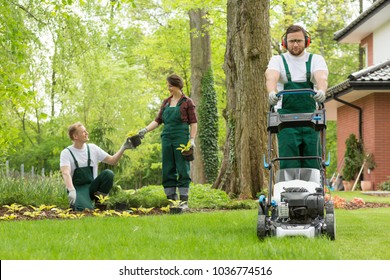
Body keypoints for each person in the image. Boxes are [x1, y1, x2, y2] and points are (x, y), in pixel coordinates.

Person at [265, 24, 328, 170]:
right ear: (285, 43)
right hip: (285, 121)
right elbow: (271, 77)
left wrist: (322, 91)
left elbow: (321, 77)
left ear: (306, 41)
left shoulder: (315, 60)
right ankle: (288, 189)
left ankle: (314, 190)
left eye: (299, 41)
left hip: (311, 119)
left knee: (312, 160)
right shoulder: (278, 60)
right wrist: (271, 93)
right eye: (292, 41)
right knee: (288, 160)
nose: (295, 44)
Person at [138, 74, 198, 208]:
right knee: (168, 168)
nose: (169, 88)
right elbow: (158, 120)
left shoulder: (187, 102)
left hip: (181, 138)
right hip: (166, 138)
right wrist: (145, 130)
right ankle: (172, 201)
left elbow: (193, 123)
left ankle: (183, 202)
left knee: (183, 168)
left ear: (177, 85)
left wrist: (192, 140)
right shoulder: (166, 102)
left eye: (170, 86)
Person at [60, 122, 134, 211]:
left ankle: (100, 204)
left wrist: (123, 148)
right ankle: (78, 204)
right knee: (84, 210)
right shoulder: (66, 153)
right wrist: (71, 190)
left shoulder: (93, 149)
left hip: (92, 187)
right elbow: (65, 173)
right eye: (83, 132)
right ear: (75, 136)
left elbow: (113, 161)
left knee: (108, 174)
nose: (87, 133)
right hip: (77, 189)